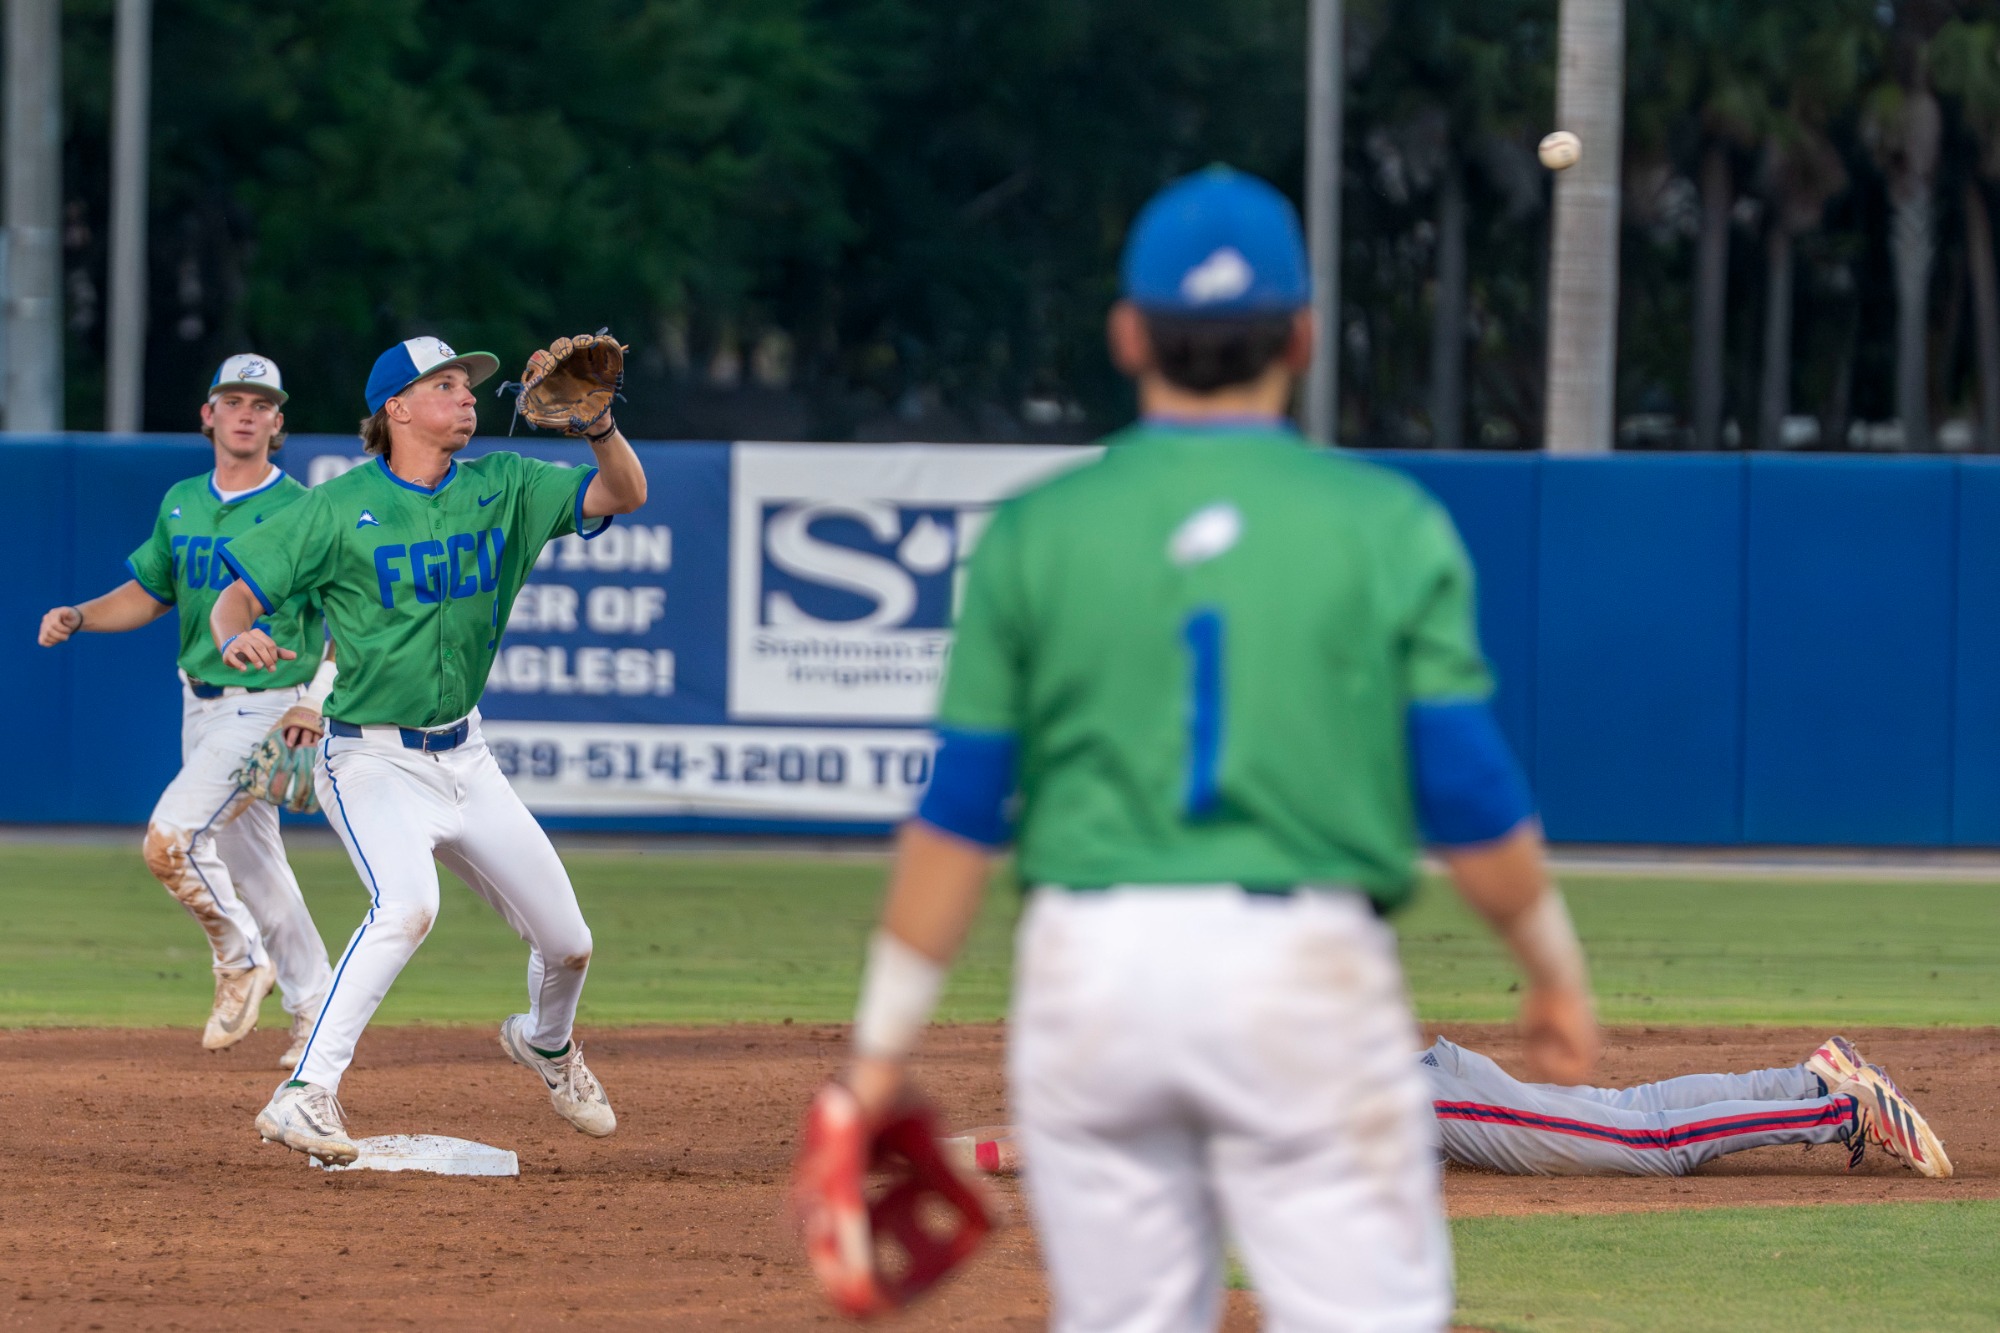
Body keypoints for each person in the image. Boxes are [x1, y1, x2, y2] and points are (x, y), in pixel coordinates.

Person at [814, 166, 1600, 1333]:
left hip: (1092, 978)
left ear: (1127, 335)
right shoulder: (1382, 524)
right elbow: (1468, 791)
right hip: (1302, 972)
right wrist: (1548, 966)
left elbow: (960, 813)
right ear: (1302, 335)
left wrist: (874, 1057)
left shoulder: (1037, 533)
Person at [208, 335, 647, 1165]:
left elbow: (625, 491)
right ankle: (305, 1091)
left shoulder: (507, 484)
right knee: (407, 905)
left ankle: (546, 1043)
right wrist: (236, 639)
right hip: (369, 757)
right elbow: (235, 602)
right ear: (395, 410)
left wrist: (599, 425)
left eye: (470, 384)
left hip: (467, 758)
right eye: (444, 385)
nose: (467, 396)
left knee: (569, 943)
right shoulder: (335, 508)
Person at [37, 355, 334, 1068]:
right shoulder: (181, 502)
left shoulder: (302, 508)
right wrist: (82, 613)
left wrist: (315, 702)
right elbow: (150, 592)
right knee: (258, 872)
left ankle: (240, 961)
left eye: (261, 403)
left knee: (170, 840)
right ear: (208, 415)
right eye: (233, 399)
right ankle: (320, 1014)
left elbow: (345, 616)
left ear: (277, 422)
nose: (246, 412)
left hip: (268, 703)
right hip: (198, 703)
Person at [946, 1035, 1953, 1181]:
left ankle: (1834, 1107)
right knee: (1629, 1108)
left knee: (1645, 1141)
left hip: (1420, 1100)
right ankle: (1807, 1077)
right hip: (1419, 1081)